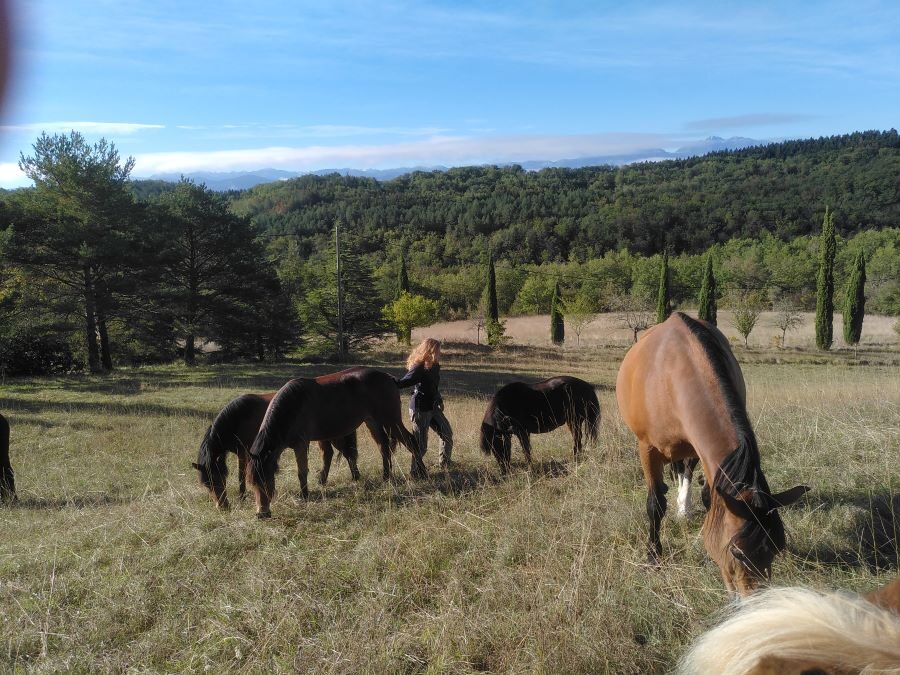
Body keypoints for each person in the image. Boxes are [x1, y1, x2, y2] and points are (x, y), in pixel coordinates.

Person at [396, 338, 453, 469]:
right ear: (431, 351)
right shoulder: (419, 367)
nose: (440, 353)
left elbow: (434, 386)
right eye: (438, 350)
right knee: (421, 445)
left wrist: (439, 400)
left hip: (433, 407)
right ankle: (415, 471)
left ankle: (444, 464)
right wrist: (389, 382)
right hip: (420, 408)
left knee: (447, 433)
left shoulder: (435, 366)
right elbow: (403, 382)